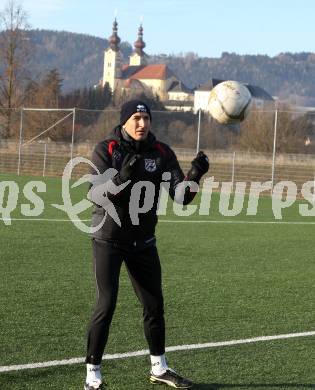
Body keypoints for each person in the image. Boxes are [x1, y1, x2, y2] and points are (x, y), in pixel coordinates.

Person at [84, 99, 209, 389]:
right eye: (136, 118)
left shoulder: (162, 152)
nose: (142, 123)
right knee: (107, 303)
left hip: (143, 241)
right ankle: (93, 375)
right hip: (109, 239)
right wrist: (122, 179)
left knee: (154, 305)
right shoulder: (107, 149)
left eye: (146, 118)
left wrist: (195, 175)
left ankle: (160, 368)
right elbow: (95, 194)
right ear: (125, 121)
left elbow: (181, 197)